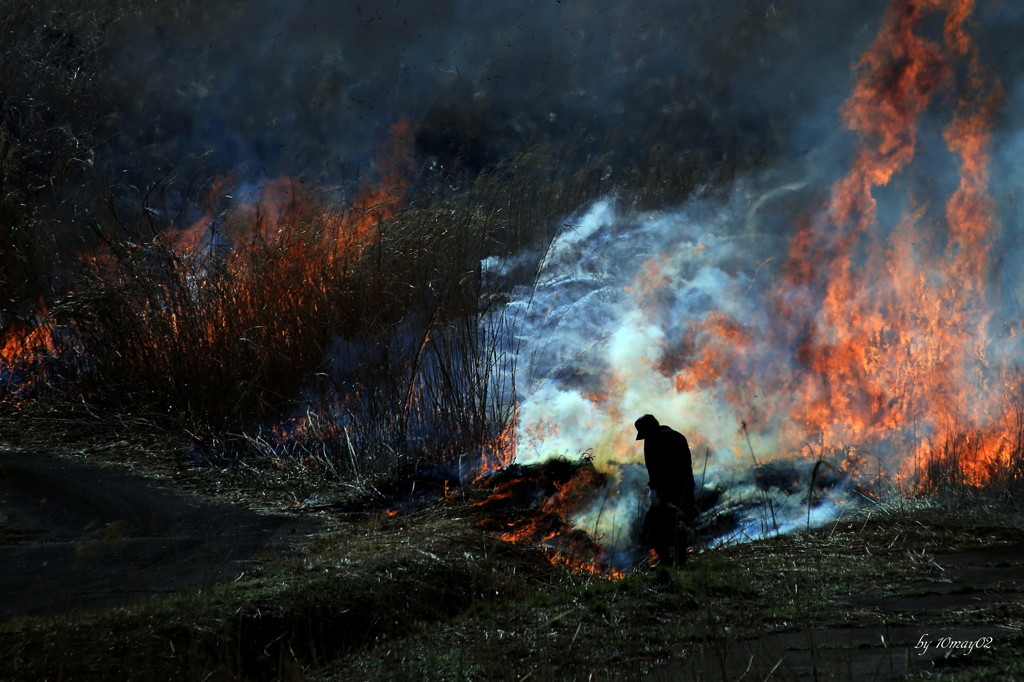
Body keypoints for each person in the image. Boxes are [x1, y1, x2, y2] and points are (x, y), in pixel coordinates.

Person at [635, 413, 698, 565]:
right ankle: (680, 561)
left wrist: (654, 490)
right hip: (686, 488)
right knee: (679, 524)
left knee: (651, 527)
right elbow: (686, 465)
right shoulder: (678, 436)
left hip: (665, 492)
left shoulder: (652, 440)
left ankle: (665, 561)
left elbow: (654, 468)